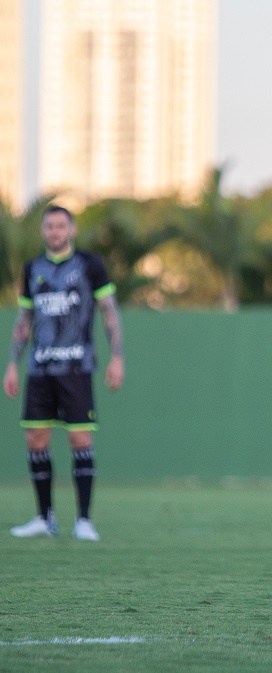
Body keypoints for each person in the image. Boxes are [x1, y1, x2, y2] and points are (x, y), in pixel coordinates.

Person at [3, 204, 124, 542]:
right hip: (40, 368)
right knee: (35, 438)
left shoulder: (90, 265)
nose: (55, 231)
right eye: (49, 226)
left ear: (72, 230)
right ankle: (45, 518)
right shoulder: (33, 268)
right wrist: (12, 363)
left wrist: (117, 357)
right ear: (43, 231)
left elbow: (109, 311)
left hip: (76, 366)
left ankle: (83, 521)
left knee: (80, 439)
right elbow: (24, 319)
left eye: (60, 226)